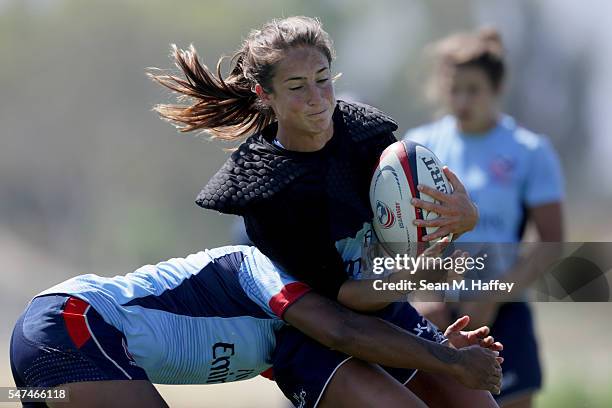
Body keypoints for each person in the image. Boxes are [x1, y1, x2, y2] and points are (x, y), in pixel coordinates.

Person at [150, 16, 498, 407]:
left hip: (384, 313)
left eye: (323, 78)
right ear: (266, 94)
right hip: (312, 339)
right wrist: (428, 321)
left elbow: (405, 239)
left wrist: (463, 220)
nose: (317, 98)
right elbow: (345, 301)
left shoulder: (366, 134)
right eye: (297, 87)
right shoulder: (266, 188)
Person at [10, 245, 503, 407]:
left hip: (53, 349)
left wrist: (434, 346)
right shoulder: (257, 269)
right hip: (71, 321)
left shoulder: (287, 343)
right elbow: (342, 333)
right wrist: (451, 361)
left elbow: (357, 343)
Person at [403, 28, 565, 408]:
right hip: (436, 315)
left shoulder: (529, 150)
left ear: (496, 88)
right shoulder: (420, 146)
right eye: (453, 89)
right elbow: (404, 230)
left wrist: (492, 296)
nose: (461, 100)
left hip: (503, 315)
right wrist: (423, 293)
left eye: (472, 90)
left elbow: (551, 243)